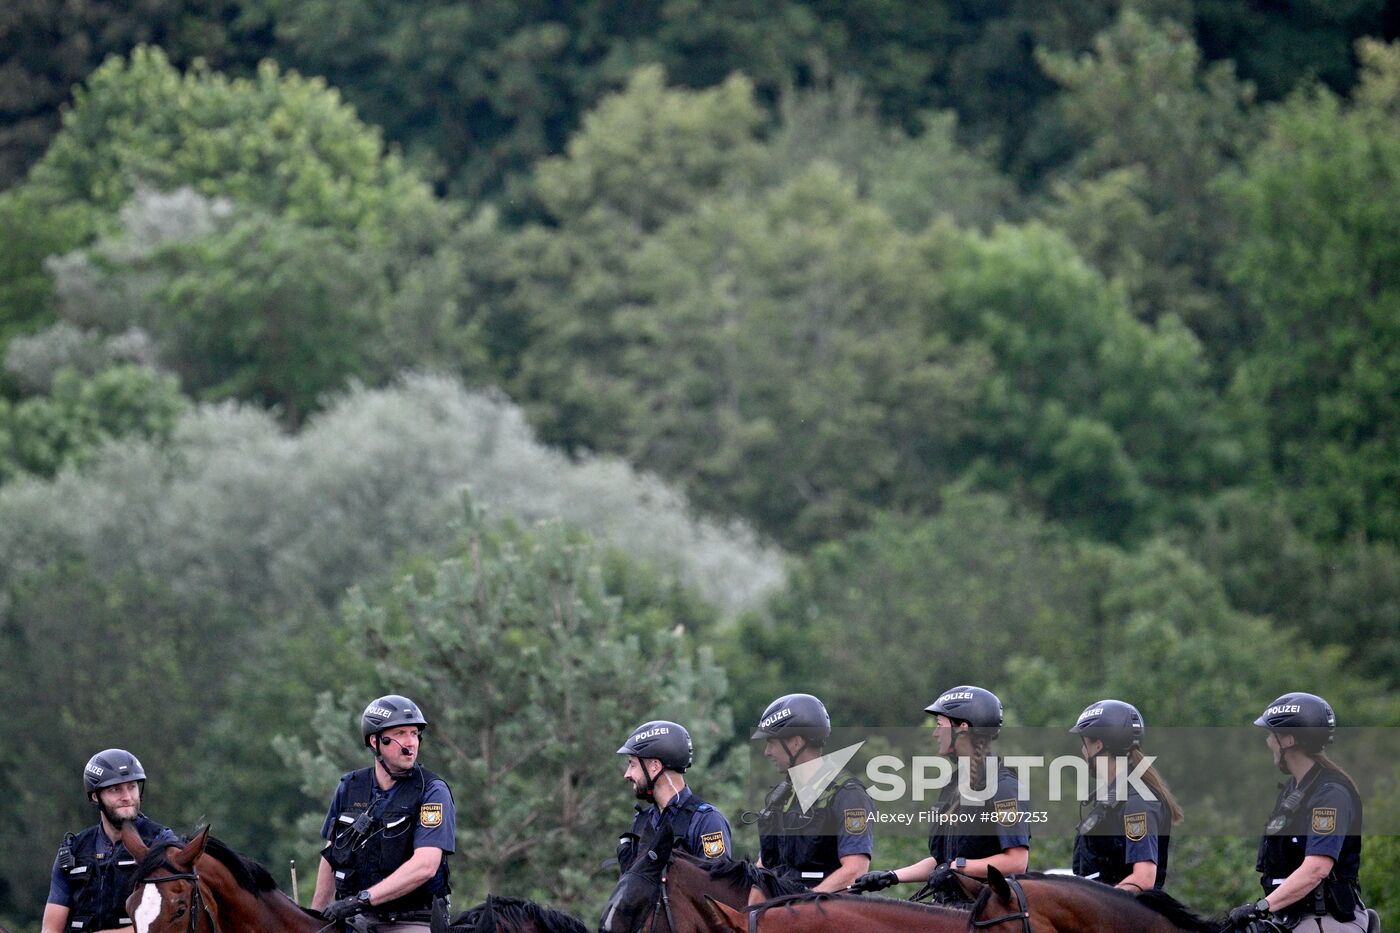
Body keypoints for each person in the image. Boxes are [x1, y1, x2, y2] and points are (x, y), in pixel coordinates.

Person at [852, 685, 1029, 904]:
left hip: (989, 915)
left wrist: (957, 867)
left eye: (940, 725)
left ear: (962, 728)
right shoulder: (952, 785)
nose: (935, 733)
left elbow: (1016, 862)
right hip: (950, 909)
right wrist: (891, 876)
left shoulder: (1004, 787)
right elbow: (942, 863)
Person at [1228, 692, 1371, 933]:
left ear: (1289, 740)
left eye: (1271, 735)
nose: (1268, 742)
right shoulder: (1295, 790)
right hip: (1291, 915)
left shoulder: (1330, 794)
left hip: (1325, 919)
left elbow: (1316, 869)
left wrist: (1261, 907)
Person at [313, 695, 455, 932]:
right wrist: (315, 918)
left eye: (414, 733)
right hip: (351, 920)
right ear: (376, 741)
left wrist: (361, 899)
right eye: (400, 733)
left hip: (411, 921)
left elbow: (426, 865)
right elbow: (330, 857)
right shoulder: (350, 786)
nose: (410, 742)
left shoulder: (432, 790)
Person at [41, 748, 178, 933]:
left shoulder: (161, 843)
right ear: (95, 796)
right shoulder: (73, 851)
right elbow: (51, 929)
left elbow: (171, 920)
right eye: (115, 789)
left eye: (132, 787)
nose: (127, 797)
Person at [751, 692, 873, 892]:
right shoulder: (782, 797)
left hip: (829, 915)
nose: (767, 752)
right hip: (782, 911)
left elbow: (855, 870)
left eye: (771, 742)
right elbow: (765, 865)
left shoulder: (848, 794)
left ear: (796, 743)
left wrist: (804, 904)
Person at [1068, 699, 1182, 892]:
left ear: (1098, 745)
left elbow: (1143, 878)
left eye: (1085, 743)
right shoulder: (1112, 797)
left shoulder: (1137, 801)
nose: (1083, 751)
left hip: (1124, 918)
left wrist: (1095, 905)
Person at [614, 719, 734, 873]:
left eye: (632, 764)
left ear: (655, 767)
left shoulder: (707, 820)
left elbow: (718, 889)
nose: (627, 774)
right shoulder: (642, 820)